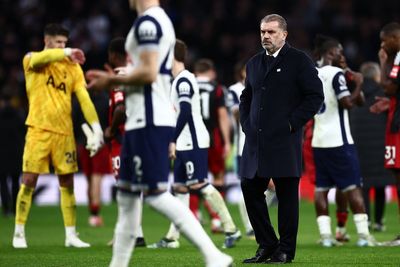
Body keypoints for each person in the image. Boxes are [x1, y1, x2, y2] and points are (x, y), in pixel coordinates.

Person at [85, 1, 233, 266]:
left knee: (155, 195)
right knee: (128, 195)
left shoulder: (149, 23)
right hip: (142, 119)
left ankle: (214, 256)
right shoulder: (157, 20)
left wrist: (113, 80)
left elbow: (149, 72)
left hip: (149, 119)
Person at [239, 14, 324, 264]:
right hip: (256, 141)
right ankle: (267, 245)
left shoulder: (299, 61)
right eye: (263, 32)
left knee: (287, 195)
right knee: (249, 187)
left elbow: (315, 96)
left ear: (284, 34)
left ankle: (285, 251)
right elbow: (246, 97)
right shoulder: (254, 63)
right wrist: (246, 124)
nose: (266, 36)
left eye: (271, 32)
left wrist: (292, 123)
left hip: (284, 140)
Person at [12, 23, 104, 249]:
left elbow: (84, 99)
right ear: (47, 42)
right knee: (29, 180)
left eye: (65, 42)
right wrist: (65, 52)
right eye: (59, 43)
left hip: (65, 133)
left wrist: (97, 127)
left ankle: (71, 235)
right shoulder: (32, 60)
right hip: (38, 130)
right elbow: (38, 60)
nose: (65, 47)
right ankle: (19, 233)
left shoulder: (72, 68)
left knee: (67, 183)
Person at [148, 39, 241, 249]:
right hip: (184, 141)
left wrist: (172, 139)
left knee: (199, 184)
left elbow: (186, 112)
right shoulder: (177, 80)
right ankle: (172, 238)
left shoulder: (184, 81)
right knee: (180, 188)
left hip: (192, 141)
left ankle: (231, 228)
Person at [312, 35, 379, 247]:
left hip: (318, 140)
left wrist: (350, 75)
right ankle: (363, 236)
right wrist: (358, 82)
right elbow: (349, 103)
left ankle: (325, 237)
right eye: (339, 51)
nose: (342, 55)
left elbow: (359, 101)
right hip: (340, 141)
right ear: (331, 53)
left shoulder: (311, 74)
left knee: (321, 189)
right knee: (352, 187)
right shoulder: (336, 75)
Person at [104, 37, 146, 247]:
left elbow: (120, 109)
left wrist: (110, 131)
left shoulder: (119, 77)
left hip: (122, 140)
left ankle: (130, 235)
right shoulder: (134, 75)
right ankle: (135, 233)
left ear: (113, 55)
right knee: (132, 187)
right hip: (138, 138)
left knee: (125, 188)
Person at [350, 62, 391, 232]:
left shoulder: (355, 94)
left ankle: (365, 220)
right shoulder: (384, 94)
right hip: (381, 146)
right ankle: (379, 222)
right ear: (376, 75)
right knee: (381, 184)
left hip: (359, 147)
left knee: (364, 186)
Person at [192, 58, 232, 233]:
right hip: (213, 137)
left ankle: (194, 215)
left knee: (193, 178)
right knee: (218, 178)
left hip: (192, 138)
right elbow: (223, 116)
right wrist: (228, 141)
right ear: (210, 72)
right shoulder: (217, 89)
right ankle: (216, 220)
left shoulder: (186, 85)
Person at [374, 22, 400, 246]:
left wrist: (383, 62)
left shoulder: (398, 57)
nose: (382, 45)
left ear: (395, 38)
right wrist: (390, 102)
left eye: (385, 40)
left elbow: (388, 86)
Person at [74, 88, 111, 227]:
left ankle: (92, 212)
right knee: (97, 178)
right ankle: (95, 214)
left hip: (83, 143)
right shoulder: (104, 100)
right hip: (100, 144)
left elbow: (75, 122)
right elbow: (109, 122)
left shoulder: (80, 101)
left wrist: (78, 141)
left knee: (89, 179)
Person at [0, 89, 24, 217]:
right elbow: (24, 133)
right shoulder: (19, 115)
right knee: (16, 182)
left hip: (2, 154)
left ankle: (5, 209)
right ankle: (15, 209)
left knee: (3, 182)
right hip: (16, 153)